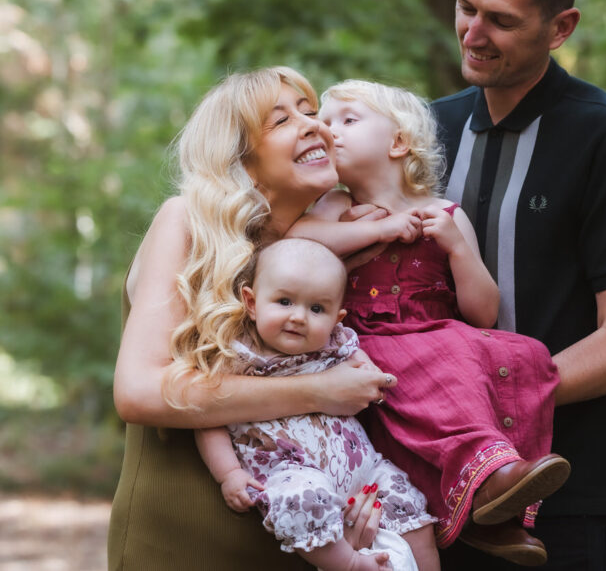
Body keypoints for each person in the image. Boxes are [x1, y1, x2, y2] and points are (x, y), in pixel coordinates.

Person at [430, 0, 606, 569]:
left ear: (561, 28)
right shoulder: (424, 130)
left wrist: (494, 395)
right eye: (465, 7)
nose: (472, 33)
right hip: (424, 495)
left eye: (501, 20)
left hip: (558, 500)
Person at [108, 67, 401, 570]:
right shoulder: (187, 225)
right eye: (281, 120)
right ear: (239, 158)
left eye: (311, 112)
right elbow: (138, 392)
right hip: (185, 544)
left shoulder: (323, 257)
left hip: (310, 548)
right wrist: (319, 391)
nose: (314, 125)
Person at [289, 79, 570, 567]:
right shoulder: (335, 206)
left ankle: (494, 505)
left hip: (435, 332)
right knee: (445, 364)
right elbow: (295, 242)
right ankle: (491, 484)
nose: (328, 131)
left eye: (347, 120)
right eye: (324, 122)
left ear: (398, 142)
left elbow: (483, 312)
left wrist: (458, 248)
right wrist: (376, 228)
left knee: (524, 354)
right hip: (368, 341)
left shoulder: (443, 214)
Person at [195, 237, 439, 571]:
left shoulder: (336, 344)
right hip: (292, 472)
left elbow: (365, 371)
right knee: (300, 502)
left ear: (337, 319)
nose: (298, 317)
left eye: (317, 309)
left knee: (410, 507)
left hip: (365, 470)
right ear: (251, 302)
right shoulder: (236, 356)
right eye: (284, 301)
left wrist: (371, 374)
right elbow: (209, 418)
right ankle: (349, 564)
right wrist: (229, 473)